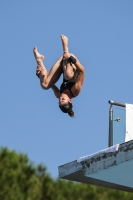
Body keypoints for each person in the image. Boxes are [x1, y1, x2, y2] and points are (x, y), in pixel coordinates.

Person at [33, 35, 84, 117]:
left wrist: (40, 76)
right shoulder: (76, 90)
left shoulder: (58, 94)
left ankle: (39, 60)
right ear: (70, 100)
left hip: (62, 64)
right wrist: (71, 59)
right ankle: (65, 46)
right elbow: (82, 70)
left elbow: (50, 84)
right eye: (63, 100)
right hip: (72, 62)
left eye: (59, 100)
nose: (60, 98)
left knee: (45, 86)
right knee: (68, 75)